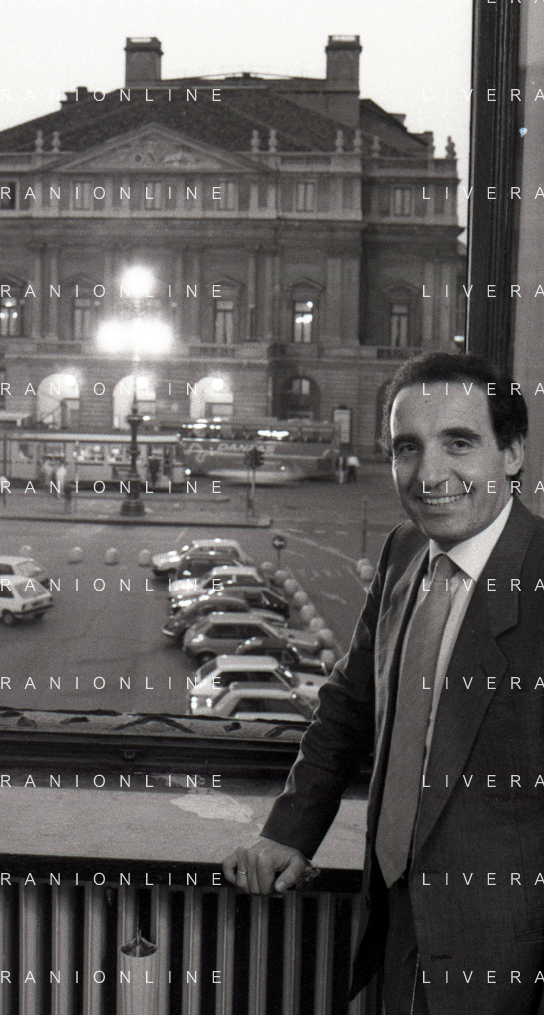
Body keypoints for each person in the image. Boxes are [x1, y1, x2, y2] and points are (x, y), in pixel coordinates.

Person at [223, 352, 542, 1015]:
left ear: (512, 453)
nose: (428, 474)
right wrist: (290, 830)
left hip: (504, 958)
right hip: (391, 922)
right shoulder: (403, 551)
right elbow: (348, 705)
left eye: (458, 443)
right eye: (406, 447)